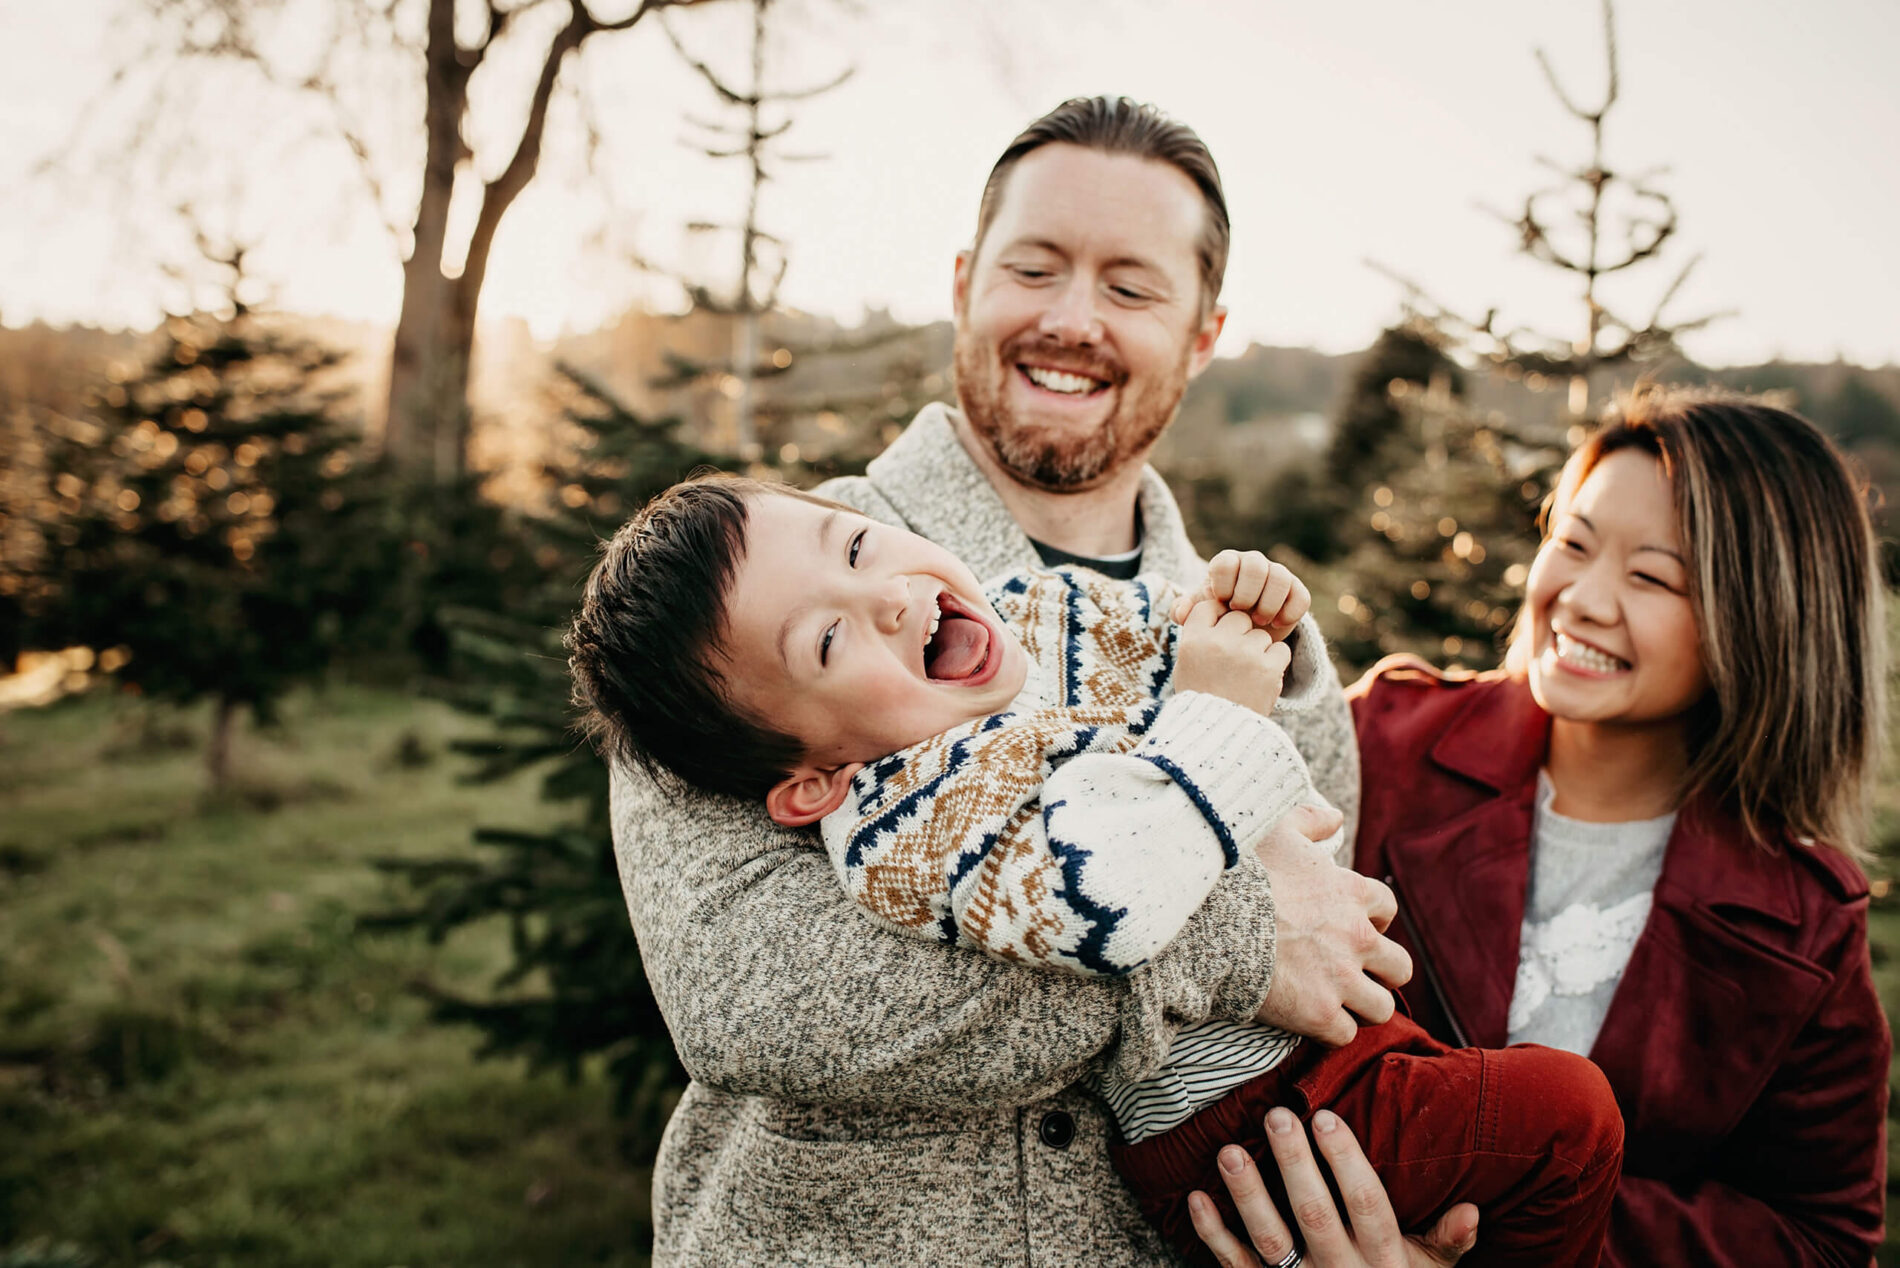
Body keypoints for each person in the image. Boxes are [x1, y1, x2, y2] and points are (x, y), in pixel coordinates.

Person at [600, 96, 1439, 1264]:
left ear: (1204, 334)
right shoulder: (741, 606)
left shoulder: (1262, 644)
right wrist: (1230, 940)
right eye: (1033, 268)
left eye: (1131, 288)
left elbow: (1315, 989)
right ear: (963, 281)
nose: (1070, 320)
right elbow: (767, 1002)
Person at [570, 474, 1626, 1267]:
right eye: (829, 639)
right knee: (1568, 1116)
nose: (885, 597)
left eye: (857, 546)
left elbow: (1175, 652)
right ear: (808, 780)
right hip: (1240, 1113)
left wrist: (1244, 621)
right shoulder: (905, 815)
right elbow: (1104, 893)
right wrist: (1213, 712)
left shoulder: (1014, 621)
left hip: (1311, 1067)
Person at [1197, 389, 1891, 1267]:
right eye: (1574, 543)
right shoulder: (1384, 741)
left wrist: (1512, 1236)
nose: (1584, 599)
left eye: (1653, 576)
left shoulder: (1807, 921)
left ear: (1764, 618)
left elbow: (1820, 1238)